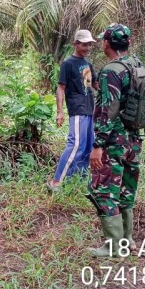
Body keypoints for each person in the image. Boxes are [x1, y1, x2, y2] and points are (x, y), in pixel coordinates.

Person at [87, 24, 143, 257]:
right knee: (126, 189)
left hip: (114, 141)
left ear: (107, 43)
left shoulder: (111, 70)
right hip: (134, 138)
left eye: (103, 41)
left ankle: (113, 247)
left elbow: (107, 111)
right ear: (128, 43)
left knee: (106, 190)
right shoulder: (137, 65)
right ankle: (127, 240)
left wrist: (98, 145)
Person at [46, 29, 97, 192]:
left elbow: (93, 85)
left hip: (90, 108)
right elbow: (61, 88)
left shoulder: (88, 64)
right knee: (75, 145)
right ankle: (56, 182)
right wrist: (60, 111)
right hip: (77, 109)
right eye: (83, 44)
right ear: (75, 44)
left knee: (88, 147)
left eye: (89, 45)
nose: (87, 48)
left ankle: (78, 181)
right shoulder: (68, 64)